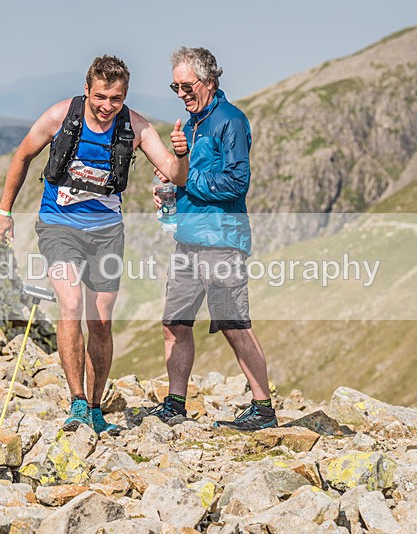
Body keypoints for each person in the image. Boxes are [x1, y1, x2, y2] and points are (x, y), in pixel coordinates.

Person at [0, 55, 188, 435]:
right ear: (87, 90)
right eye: (100, 96)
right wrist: (5, 210)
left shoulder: (136, 126)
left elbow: (175, 175)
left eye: (115, 99)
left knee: (100, 322)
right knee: (70, 304)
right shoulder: (59, 116)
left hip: (106, 234)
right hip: (58, 226)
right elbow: (22, 155)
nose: (106, 106)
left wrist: (180, 153)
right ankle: (77, 402)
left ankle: (97, 408)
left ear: (124, 96)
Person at [149, 47, 277, 431]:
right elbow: (183, 174)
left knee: (234, 323)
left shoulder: (231, 121)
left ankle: (264, 409)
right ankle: (174, 404)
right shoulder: (189, 125)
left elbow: (238, 182)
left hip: (222, 237)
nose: (181, 93)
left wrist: (187, 181)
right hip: (188, 238)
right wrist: (166, 185)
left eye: (187, 85)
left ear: (209, 80)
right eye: (175, 86)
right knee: (175, 323)